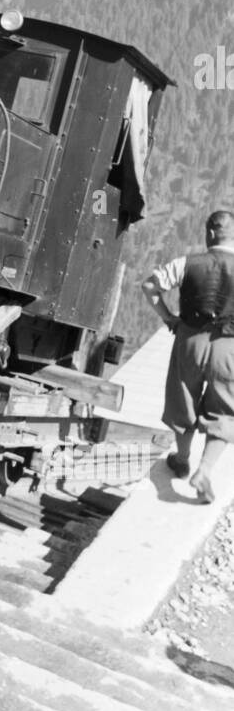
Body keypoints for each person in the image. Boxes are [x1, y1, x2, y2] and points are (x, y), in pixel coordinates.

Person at [141, 208, 234, 503]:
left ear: (208, 233)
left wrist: (169, 317)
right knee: (225, 409)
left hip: (190, 339)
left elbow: (149, 285)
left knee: (184, 399)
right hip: (229, 347)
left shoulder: (188, 263)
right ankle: (204, 470)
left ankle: (182, 461)